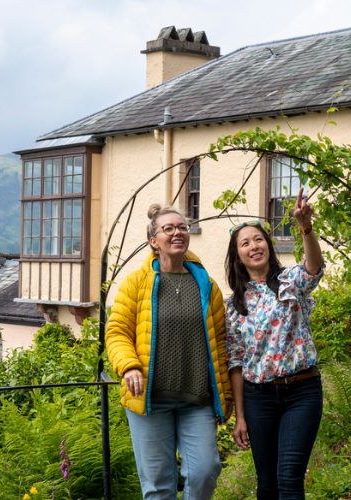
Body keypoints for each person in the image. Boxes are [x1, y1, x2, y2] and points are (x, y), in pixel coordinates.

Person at [106, 204, 232, 500]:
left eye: (183, 227)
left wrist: (226, 394)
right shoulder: (136, 283)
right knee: (158, 486)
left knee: (204, 471)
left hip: (196, 399)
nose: (178, 232)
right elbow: (117, 332)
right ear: (154, 241)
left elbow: (222, 340)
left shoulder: (206, 285)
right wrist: (129, 366)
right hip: (149, 400)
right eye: (169, 228)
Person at [225, 187, 324, 500]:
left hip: (301, 391)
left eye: (258, 240)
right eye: (245, 243)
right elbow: (236, 363)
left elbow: (314, 267)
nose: (254, 246)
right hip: (258, 398)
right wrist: (240, 416)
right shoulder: (234, 305)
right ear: (238, 256)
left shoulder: (290, 281)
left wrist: (305, 226)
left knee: (289, 480)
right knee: (266, 483)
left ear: (268, 245)